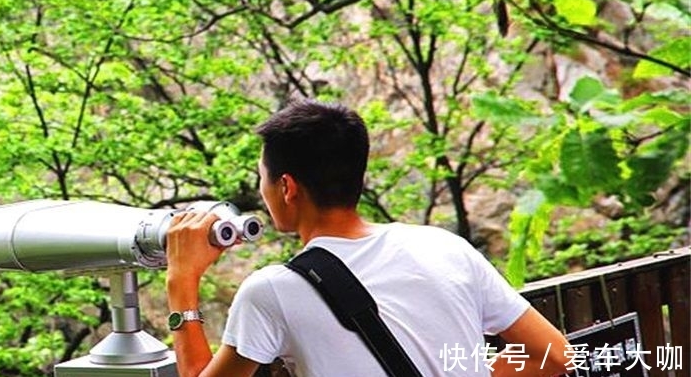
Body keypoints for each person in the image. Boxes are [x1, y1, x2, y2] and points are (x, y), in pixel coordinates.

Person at [164, 99, 571, 377]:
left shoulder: (272, 291)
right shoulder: (445, 246)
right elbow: (556, 356)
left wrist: (181, 281)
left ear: (287, 187)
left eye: (263, 179)